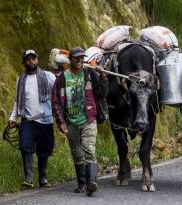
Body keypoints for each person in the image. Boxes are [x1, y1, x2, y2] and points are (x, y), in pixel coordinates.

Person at [52, 47, 108, 196]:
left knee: (89, 149)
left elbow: (102, 93)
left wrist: (102, 76)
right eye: (76, 58)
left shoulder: (89, 74)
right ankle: (82, 184)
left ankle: (91, 182)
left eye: (82, 58)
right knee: (77, 153)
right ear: (70, 60)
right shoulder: (62, 78)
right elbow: (56, 102)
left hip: (89, 118)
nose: (79, 61)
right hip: (71, 122)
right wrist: (61, 122)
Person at [8, 49, 56, 188]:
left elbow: (59, 92)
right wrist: (13, 118)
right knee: (25, 146)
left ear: (37, 59)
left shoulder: (48, 76)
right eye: (28, 59)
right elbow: (17, 101)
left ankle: (43, 178)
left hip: (45, 120)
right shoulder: (20, 80)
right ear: (24, 62)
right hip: (28, 120)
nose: (31, 61)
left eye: (33, 58)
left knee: (44, 149)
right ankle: (28, 179)